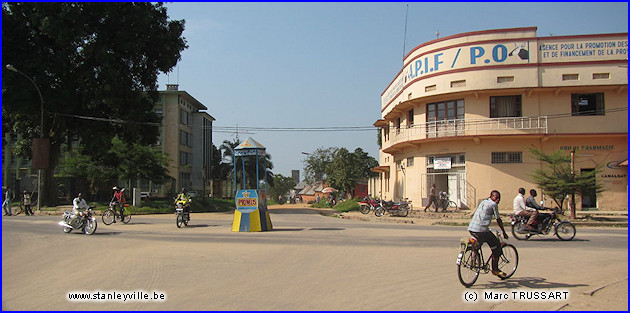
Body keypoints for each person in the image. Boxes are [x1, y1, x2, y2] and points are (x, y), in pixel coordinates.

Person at [467, 190, 509, 279]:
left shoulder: (483, 202)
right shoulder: (493, 205)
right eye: (496, 198)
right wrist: (504, 232)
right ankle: (495, 269)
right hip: (482, 230)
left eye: (499, 198)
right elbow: (498, 219)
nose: (497, 200)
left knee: (480, 242)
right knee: (496, 246)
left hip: (472, 228)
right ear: (491, 196)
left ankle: (474, 256)